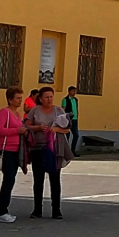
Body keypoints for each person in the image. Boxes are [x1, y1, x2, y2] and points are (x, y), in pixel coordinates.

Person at [26, 86, 70, 219]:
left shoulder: (58, 111)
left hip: (54, 150)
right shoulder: (35, 110)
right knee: (38, 180)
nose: (49, 99)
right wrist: (38, 127)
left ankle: (56, 210)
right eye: (46, 97)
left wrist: (56, 129)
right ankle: (37, 210)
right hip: (38, 149)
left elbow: (67, 129)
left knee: (55, 180)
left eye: (51, 96)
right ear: (40, 98)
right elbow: (26, 125)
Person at [0, 86, 26, 223]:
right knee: (8, 179)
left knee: (11, 179)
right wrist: (16, 131)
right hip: (6, 150)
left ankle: (4, 209)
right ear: (10, 99)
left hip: (16, 150)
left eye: (20, 98)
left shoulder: (18, 114)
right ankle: (1, 211)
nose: (20, 101)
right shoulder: (4, 112)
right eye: (17, 98)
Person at [61, 87, 82, 155]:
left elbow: (76, 108)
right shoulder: (65, 99)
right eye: (73, 91)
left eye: (75, 91)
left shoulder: (75, 99)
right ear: (69, 91)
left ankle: (73, 150)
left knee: (76, 135)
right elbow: (63, 109)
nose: (74, 93)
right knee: (67, 135)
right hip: (68, 120)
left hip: (75, 119)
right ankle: (65, 151)